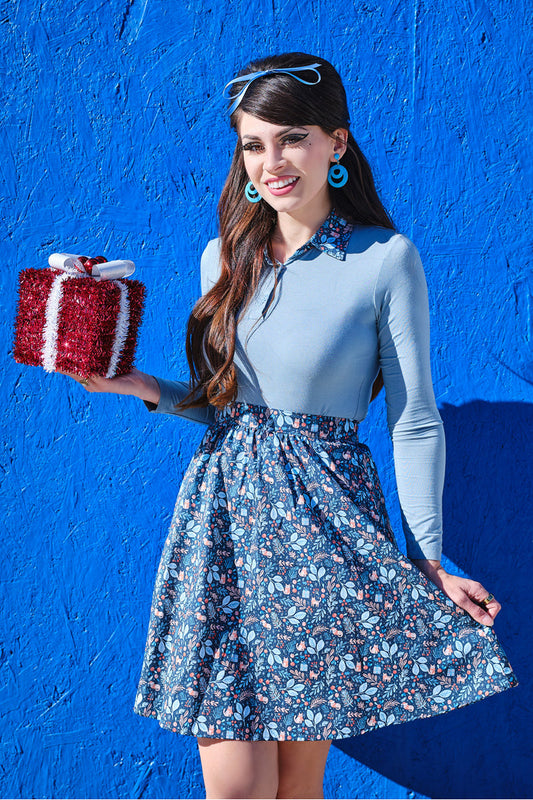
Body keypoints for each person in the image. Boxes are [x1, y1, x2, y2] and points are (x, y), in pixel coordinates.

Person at [65, 53, 518, 800]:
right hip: (224, 529)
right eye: (254, 144)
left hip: (325, 531)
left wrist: (429, 558)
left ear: (336, 143)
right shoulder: (223, 257)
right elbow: (226, 407)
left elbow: (412, 418)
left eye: (292, 138)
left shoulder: (384, 259)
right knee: (239, 788)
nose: (272, 162)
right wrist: (143, 387)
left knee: (297, 789)